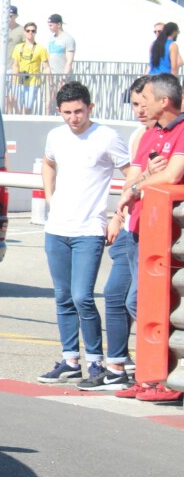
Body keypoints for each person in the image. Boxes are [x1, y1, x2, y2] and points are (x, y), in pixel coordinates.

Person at [37, 81, 129, 387]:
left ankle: (97, 364)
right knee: (63, 297)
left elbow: (132, 174)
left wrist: (118, 215)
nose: (73, 118)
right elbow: (48, 164)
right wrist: (50, 197)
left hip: (89, 230)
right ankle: (70, 361)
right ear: (59, 111)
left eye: (79, 111)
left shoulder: (107, 137)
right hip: (57, 230)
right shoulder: (55, 136)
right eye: (67, 112)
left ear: (90, 107)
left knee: (82, 297)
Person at [114, 73, 184, 402]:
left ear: (164, 102)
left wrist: (139, 187)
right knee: (134, 302)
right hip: (140, 228)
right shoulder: (149, 134)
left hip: (166, 233)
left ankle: (160, 378)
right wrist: (135, 189)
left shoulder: (181, 130)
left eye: (147, 99)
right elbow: (138, 176)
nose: (142, 105)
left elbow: (170, 175)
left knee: (147, 305)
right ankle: (147, 377)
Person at [97, 76, 151, 393]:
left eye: (144, 102)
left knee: (138, 302)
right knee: (117, 296)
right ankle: (118, 364)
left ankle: (150, 369)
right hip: (131, 227)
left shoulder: (171, 135)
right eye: (134, 104)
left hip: (151, 232)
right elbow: (132, 180)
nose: (139, 109)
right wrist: (118, 215)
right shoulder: (139, 135)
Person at [10, 23, 48, 115]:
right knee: (14, 102)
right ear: (24, 32)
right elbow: (15, 64)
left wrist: (44, 80)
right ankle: (19, 119)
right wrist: (14, 79)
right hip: (19, 81)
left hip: (33, 82)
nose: (30, 33)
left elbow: (46, 67)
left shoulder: (41, 48)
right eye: (28, 31)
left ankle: (26, 122)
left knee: (28, 106)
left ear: (36, 32)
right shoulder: (18, 47)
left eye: (33, 31)